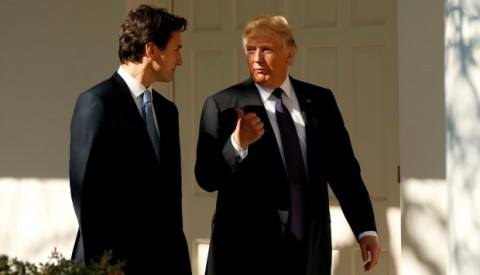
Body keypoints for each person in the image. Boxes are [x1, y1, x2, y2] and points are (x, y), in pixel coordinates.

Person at [195, 15, 381, 275]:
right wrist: (238, 143)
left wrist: (365, 229)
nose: (257, 58)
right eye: (250, 49)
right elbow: (206, 178)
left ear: (290, 54)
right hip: (246, 255)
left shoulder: (320, 101)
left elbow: (344, 171)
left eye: (267, 49)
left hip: (309, 249)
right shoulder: (222, 105)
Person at [69, 5, 191, 274]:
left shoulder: (168, 111)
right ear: (151, 50)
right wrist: (107, 264)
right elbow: (87, 195)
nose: (180, 60)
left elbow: (170, 198)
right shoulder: (96, 103)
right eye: (176, 50)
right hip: (114, 266)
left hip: (165, 263)